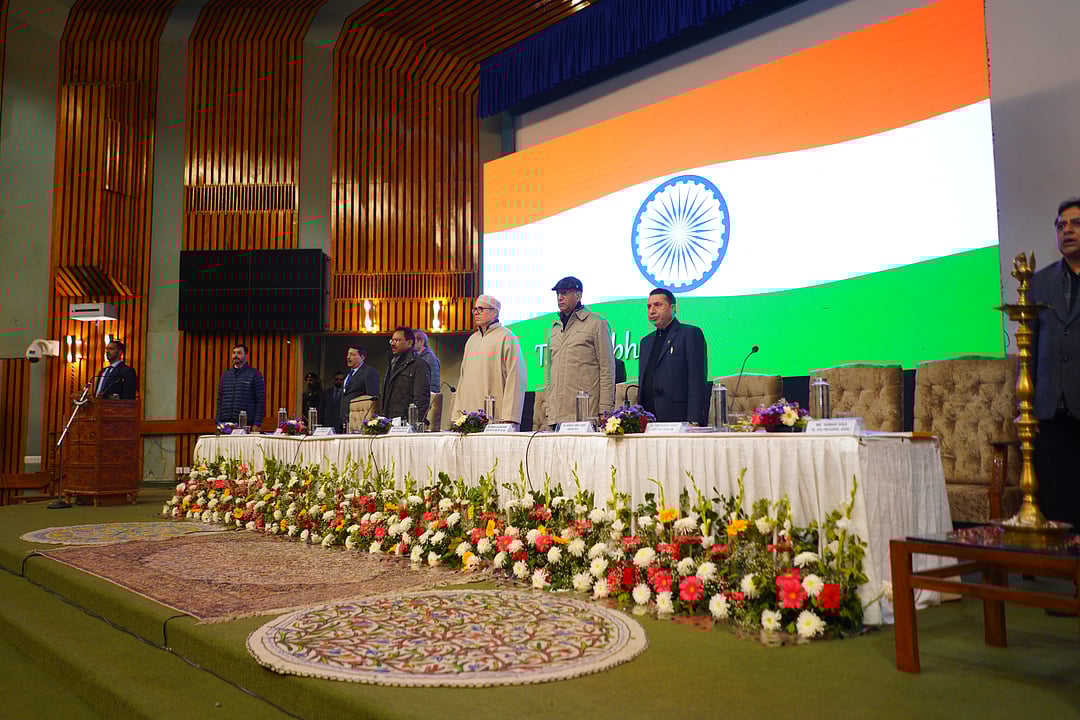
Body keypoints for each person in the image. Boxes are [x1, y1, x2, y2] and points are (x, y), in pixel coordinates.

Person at [1030, 197, 1080, 533]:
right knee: (1055, 503)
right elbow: (1030, 347)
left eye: (1075, 224)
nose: (1067, 231)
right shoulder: (1039, 282)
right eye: (1061, 226)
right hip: (1050, 408)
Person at [543, 276, 615, 426]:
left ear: (579, 295)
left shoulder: (597, 323)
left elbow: (607, 369)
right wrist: (549, 408)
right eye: (558, 294)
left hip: (585, 413)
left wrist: (605, 409)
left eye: (564, 293)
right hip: (557, 416)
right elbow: (549, 374)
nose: (560, 297)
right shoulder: (554, 329)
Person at [452, 294, 527, 427]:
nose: (476, 313)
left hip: (496, 418)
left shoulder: (507, 337)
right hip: (468, 419)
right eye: (475, 309)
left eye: (481, 309)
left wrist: (510, 417)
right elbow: (463, 381)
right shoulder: (471, 340)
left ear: (494, 312)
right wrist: (457, 416)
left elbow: (515, 378)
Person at [638, 289, 708, 424]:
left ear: (673, 308)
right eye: (649, 306)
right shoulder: (646, 342)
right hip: (648, 419)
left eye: (657, 305)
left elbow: (697, 382)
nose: (652, 311)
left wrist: (694, 421)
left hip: (678, 417)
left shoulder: (690, 334)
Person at [381, 327, 431, 424]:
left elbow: (422, 399)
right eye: (392, 340)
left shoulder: (419, 365)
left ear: (409, 343)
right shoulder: (392, 363)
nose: (393, 344)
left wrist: (416, 424)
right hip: (390, 420)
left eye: (397, 340)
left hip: (407, 422)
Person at [215, 343, 265, 430]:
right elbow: (220, 399)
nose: (235, 355)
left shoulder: (255, 374)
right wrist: (218, 421)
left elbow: (260, 400)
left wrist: (257, 423)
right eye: (233, 353)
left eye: (239, 353)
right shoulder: (226, 375)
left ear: (246, 355)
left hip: (246, 424)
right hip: (225, 424)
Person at [340, 345, 379, 432]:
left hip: (360, 421)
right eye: (348, 354)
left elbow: (372, 398)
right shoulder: (348, 374)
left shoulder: (368, 372)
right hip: (345, 419)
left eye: (352, 354)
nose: (348, 357)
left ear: (362, 357)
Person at [413, 328, 442, 394]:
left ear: (422, 342)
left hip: (424, 397)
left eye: (413, 340)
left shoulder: (430, 358)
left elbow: (434, 384)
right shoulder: (413, 357)